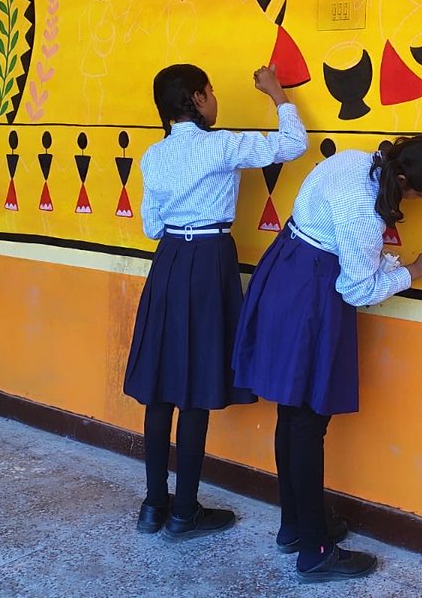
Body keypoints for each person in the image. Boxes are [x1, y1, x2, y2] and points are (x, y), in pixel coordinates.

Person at [233, 135, 422, 583]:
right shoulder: (363, 206)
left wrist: (396, 264)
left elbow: (351, 254)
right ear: (405, 180)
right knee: (309, 421)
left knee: (292, 414)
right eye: (420, 198)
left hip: (287, 270)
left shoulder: (357, 160)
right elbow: (357, 288)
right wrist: (415, 271)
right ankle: (315, 551)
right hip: (311, 294)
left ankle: (296, 527)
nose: (413, 206)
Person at [123, 63, 307, 540]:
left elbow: (150, 227)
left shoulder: (154, 155)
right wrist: (278, 94)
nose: (215, 99)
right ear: (200, 100)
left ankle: (153, 505)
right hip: (208, 261)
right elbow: (293, 145)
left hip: (167, 264)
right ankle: (185, 512)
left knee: (162, 385)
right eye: (211, 91)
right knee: (195, 383)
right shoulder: (222, 145)